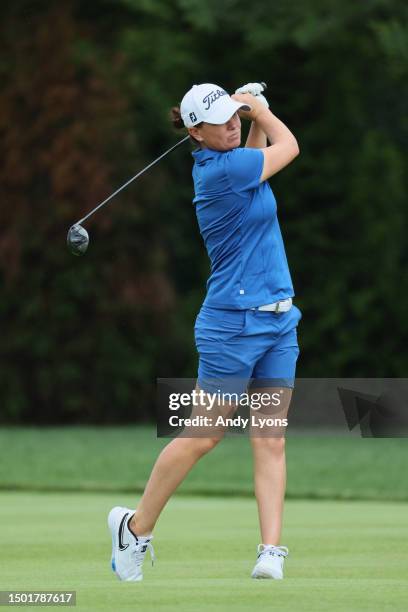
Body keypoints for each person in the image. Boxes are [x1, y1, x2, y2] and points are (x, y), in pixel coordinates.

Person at [108, 82, 302, 581]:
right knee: (202, 435)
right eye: (223, 119)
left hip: (278, 321)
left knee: (270, 437)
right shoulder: (219, 173)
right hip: (233, 327)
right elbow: (290, 148)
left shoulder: (237, 166)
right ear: (196, 132)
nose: (233, 123)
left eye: (236, 114)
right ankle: (135, 527)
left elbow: (257, 160)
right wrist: (262, 108)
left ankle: (270, 551)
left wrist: (252, 114)